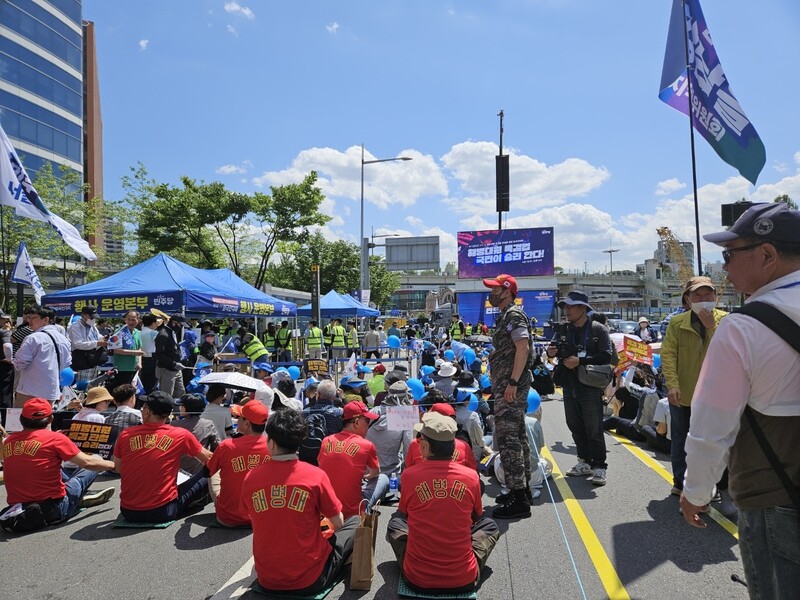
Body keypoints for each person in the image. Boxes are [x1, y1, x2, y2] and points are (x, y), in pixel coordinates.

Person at [679, 203, 800, 597]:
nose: (724, 269)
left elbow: (711, 427)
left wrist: (696, 493)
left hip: (775, 501)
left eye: (730, 255)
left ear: (767, 255)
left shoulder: (742, 329)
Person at [241, 409, 358, 595]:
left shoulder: (251, 477)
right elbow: (338, 523)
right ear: (299, 442)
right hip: (310, 579)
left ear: (270, 443)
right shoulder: (315, 476)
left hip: (266, 579)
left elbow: (252, 515)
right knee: (354, 522)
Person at [386, 412, 500, 594]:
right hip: (463, 578)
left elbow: (403, 513)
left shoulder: (409, 476)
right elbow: (478, 517)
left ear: (424, 446)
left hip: (416, 578)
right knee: (490, 526)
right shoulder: (471, 477)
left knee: (395, 524)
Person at [0, 398, 116, 531]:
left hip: (19, 507)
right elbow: (87, 462)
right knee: (95, 458)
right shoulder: (56, 439)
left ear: (22, 419)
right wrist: (113, 465)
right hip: (55, 508)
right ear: (50, 419)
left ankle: (77, 494)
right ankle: (77, 495)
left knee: (51, 466)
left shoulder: (10, 440)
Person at [661, 276, 726, 496]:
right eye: (697, 295)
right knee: (681, 440)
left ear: (716, 297)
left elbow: (729, 353)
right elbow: (668, 354)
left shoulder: (727, 321)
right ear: (688, 300)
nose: (703, 299)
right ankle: (680, 482)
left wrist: (711, 328)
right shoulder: (677, 323)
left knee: (714, 442)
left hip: (717, 396)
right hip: (684, 394)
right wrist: (672, 385)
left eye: (708, 294)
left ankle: (712, 485)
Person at [547, 290, 613, 487]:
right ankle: (584, 462)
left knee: (594, 427)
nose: (566, 310)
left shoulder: (597, 329)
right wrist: (552, 351)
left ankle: (599, 466)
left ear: (583, 308)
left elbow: (606, 357)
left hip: (589, 385)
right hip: (569, 384)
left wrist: (581, 360)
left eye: (571, 306)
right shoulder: (564, 330)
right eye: (565, 307)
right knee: (574, 424)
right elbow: (555, 349)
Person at [113, 391, 212, 523]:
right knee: (206, 474)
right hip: (164, 510)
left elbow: (118, 468)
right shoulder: (180, 434)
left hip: (128, 511)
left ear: (147, 412)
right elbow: (210, 459)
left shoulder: (125, 435)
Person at [482, 274, 533, 518]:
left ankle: (519, 500)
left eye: (494, 289)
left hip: (511, 387)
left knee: (508, 438)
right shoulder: (506, 316)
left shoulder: (513, 315)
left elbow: (523, 347)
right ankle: (520, 490)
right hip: (506, 385)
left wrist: (512, 382)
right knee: (518, 436)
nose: (491, 293)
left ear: (506, 291)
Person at [318, 401, 388, 518]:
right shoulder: (366, 445)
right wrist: (365, 477)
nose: (368, 425)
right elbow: (375, 473)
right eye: (367, 421)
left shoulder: (326, 441)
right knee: (383, 478)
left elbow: (322, 465)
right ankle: (367, 511)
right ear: (356, 422)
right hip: (353, 512)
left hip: (327, 510)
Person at [206, 400, 271, 526]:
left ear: (246, 423)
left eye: (239, 417)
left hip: (227, 518)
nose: (236, 420)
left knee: (213, 469)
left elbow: (207, 472)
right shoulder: (272, 445)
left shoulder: (227, 445)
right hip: (260, 516)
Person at [13, 305, 72, 408]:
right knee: (44, 421)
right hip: (51, 390)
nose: (29, 321)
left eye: (33, 317)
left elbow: (20, 363)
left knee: (21, 421)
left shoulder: (33, 338)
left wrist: (12, 360)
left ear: (46, 319)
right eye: (29, 317)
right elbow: (67, 363)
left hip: (29, 390)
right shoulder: (64, 339)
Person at [366, 380, 415, 477]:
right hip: (391, 469)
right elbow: (408, 447)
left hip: (369, 467)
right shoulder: (405, 415)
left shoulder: (373, 411)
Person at [172, 393, 219, 475]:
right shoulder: (208, 424)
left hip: (176, 471)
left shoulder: (174, 425)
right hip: (198, 473)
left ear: (186, 408)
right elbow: (217, 446)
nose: (180, 408)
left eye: (182, 405)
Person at [67, 305, 107, 388]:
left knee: (92, 386)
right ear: (84, 315)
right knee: (83, 387)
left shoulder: (93, 327)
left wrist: (104, 338)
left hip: (93, 360)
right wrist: (97, 343)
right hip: (82, 361)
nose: (93, 319)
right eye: (91, 317)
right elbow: (78, 344)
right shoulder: (75, 327)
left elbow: (98, 337)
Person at [154, 313, 186, 399]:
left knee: (180, 393)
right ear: (174, 323)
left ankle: (177, 412)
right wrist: (173, 364)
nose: (181, 327)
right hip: (166, 370)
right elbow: (160, 355)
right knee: (166, 396)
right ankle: (165, 412)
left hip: (176, 370)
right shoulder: (163, 335)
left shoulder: (172, 332)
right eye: (180, 325)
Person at [110, 310, 144, 388]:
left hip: (134, 368)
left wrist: (139, 362)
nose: (131, 322)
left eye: (133, 320)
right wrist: (134, 353)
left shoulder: (138, 332)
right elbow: (116, 350)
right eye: (129, 319)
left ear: (138, 321)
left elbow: (139, 349)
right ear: (125, 320)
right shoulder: (119, 332)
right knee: (122, 391)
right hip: (122, 368)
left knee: (132, 391)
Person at [139, 314, 161, 394]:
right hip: (152, 358)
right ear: (153, 323)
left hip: (141, 358)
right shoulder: (153, 333)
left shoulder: (139, 332)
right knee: (152, 383)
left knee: (143, 380)